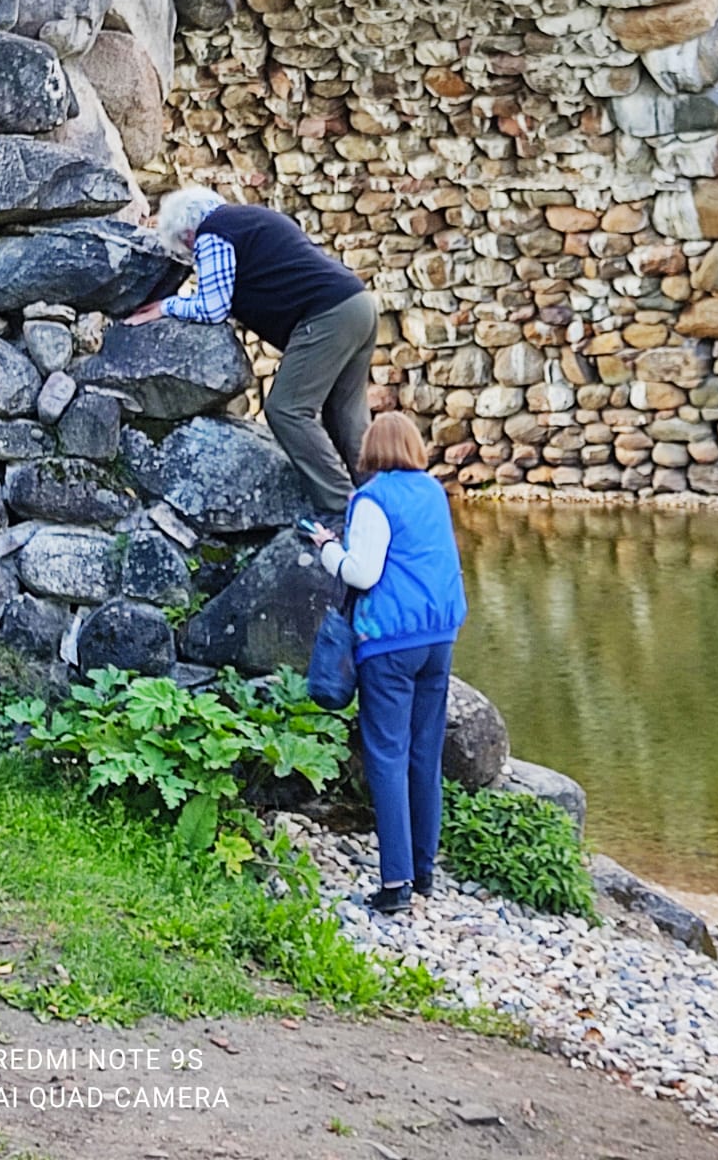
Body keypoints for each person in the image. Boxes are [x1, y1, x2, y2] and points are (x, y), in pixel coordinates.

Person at [126, 187, 378, 519]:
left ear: (186, 234)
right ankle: (384, 502)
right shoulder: (253, 218)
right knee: (346, 416)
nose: (193, 256)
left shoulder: (213, 233)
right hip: (358, 303)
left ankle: (342, 509)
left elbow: (213, 307)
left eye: (187, 250)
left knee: (287, 410)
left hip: (326, 316)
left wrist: (166, 306)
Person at [311, 412, 467, 914]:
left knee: (387, 756)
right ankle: (424, 871)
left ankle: (396, 882)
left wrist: (327, 550)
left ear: (372, 449)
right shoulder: (434, 492)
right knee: (425, 753)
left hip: (390, 643)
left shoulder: (373, 498)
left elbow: (362, 573)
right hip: (439, 637)